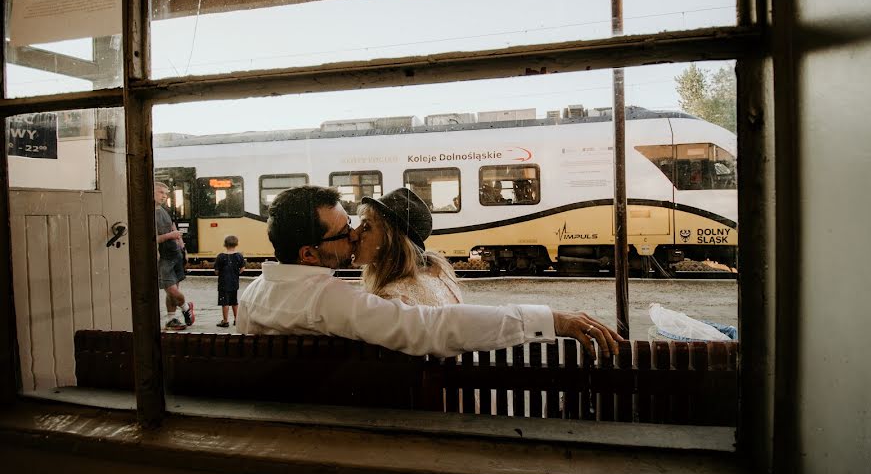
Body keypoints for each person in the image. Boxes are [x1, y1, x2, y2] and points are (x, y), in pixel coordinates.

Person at [237, 186, 622, 359]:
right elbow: (432, 328)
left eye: (359, 226)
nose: (354, 234)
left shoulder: (253, 293)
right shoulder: (329, 300)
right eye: (344, 232)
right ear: (308, 253)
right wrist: (549, 318)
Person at [354, 188, 461, 306]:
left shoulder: (392, 299)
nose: (354, 234)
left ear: (392, 239)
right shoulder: (440, 273)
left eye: (366, 227)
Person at [155, 181, 195, 330]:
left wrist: (183, 246)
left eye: (166, 194)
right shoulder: (149, 213)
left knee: (172, 291)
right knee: (171, 289)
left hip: (175, 255)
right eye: (160, 193)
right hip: (163, 258)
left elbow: (174, 227)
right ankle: (186, 307)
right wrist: (171, 235)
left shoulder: (165, 209)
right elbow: (153, 239)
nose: (164, 196)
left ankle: (171, 319)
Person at [214, 235, 245, 328]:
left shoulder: (220, 256)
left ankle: (225, 321)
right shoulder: (239, 256)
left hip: (223, 283)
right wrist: (236, 273)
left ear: (225, 244)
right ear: (236, 244)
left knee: (225, 303)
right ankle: (237, 319)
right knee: (234, 302)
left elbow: (216, 271)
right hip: (234, 282)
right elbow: (242, 268)